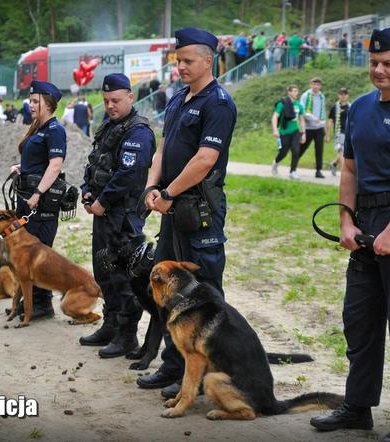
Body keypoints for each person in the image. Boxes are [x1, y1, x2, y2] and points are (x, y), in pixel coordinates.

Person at [309, 27, 390, 442]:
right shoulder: (360, 109)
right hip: (364, 221)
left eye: (388, 63)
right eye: (374, 63)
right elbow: (349, 170)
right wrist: (347, 222)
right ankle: (357, 407)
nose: (380, 70)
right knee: (360, 325)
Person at [136, 27, 237, 400]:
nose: (180, 66)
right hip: (171, 208)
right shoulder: (179, 98)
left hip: (200, 211)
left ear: (209, 61)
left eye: (188, 61)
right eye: (178, 60)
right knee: (167, 290)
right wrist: (153, 186)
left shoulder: (219, 103)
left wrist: (169, 193)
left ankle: (213, 373)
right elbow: (163, 150)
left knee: (203, 293)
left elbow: (205, 159)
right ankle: (174, 366)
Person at [79, 73, 155, 358]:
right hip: (103, 212)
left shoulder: (138, 132)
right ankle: (110, 325)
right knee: (104, 271)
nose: (110, 106)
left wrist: (102, 201)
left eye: (116, 100)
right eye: (107, 101)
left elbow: (128, 174)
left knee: (124, 277)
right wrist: (87, 191)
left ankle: (127, 336)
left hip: (124, 216)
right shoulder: (109, 127)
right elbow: (94, 163)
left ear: (131, 97)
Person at [7, 80, 67, 319]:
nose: (30, 105)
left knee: (39, 255)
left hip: (40, 204)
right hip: (28, 199)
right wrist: (21, 168)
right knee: (26, 254)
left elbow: (55, 165)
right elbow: (39, 162)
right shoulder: (38, 128)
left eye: (35, 101)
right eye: (30, 101)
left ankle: (43, 304)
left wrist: (37, 193)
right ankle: (29, 302)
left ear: (49, 105)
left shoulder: (55, 130)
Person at [271, 85, 306, 179]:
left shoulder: (299, 105)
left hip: (295, 131)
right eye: (294, 91)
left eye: (297, 91)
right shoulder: (282, 104)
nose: (296, 93)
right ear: (289, 92)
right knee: (283, 152)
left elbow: (302, 119)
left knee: (296, 151)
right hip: (284, 132)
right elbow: (275, 117)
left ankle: (293, 172)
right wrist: (275, 130)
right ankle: (275, 163)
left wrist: (303, 133)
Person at [298, 77, 327, 178]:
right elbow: (302, 111)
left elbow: (322, 110)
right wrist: (313, 118)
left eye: (318, 84)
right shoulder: (306, 95)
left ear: (320, 86)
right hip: (308, 128)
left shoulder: (321, 96)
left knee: (319, 150)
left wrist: (323, 122)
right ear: (311, 84)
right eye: (314, 84)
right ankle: (293, 166)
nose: (316, 86)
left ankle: (318, 170)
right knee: (302, 148)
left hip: (319, 128)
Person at [326, 87, 350, 177]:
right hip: (338, 133)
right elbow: (330, 121)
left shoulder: (350, 106)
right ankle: (345, 172)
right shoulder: (335, 107)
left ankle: (334, 164)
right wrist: (328, 135)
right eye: (341, 94)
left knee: (344, 152)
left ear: (347, 95)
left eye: (345, 94)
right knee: (341, 152)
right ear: (338, 95)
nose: (343, 96)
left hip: (348, 133)